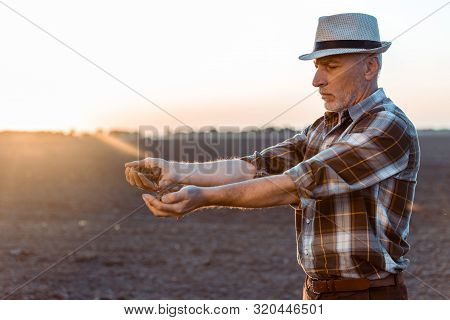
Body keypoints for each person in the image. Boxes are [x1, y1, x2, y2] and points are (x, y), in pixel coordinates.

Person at [124, 13, 420, 300]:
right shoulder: (321, 129)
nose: (317, 80)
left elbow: (296, 184)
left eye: (330, 66)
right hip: (316, 294)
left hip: (369, 297)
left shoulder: (388, 126)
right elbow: (254, 167)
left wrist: (203, 197)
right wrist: (175, 171)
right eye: (317, 66)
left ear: (369, 67)